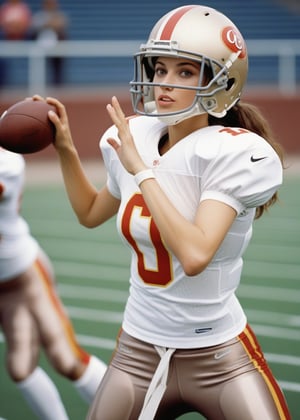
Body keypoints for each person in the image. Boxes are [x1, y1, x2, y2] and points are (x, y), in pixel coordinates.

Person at [37, 4, 291, 419]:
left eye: (185, 72)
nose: (164, 84)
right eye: (159, 69)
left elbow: (194, 255)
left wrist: (141, 169)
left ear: (221, 83)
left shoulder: (231, 151)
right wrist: (65, 149)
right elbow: (89, 212)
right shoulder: (136, 136)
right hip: (139, 347)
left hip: (219, 355)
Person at [0, 147, 107, 420]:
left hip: (24, 275)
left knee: (66, 358)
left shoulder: (7, 163)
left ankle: (136, 414)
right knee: (20, 367)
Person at [30, 0, 68, 85]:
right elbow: (35, 28)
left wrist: (50, 24)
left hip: (57, 46)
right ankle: (39, 85)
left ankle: (58, 85)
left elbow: (61, 26)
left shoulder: (59, 15)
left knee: (57, 68)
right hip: (41, 45)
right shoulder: (39, 16)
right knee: (40, 67)